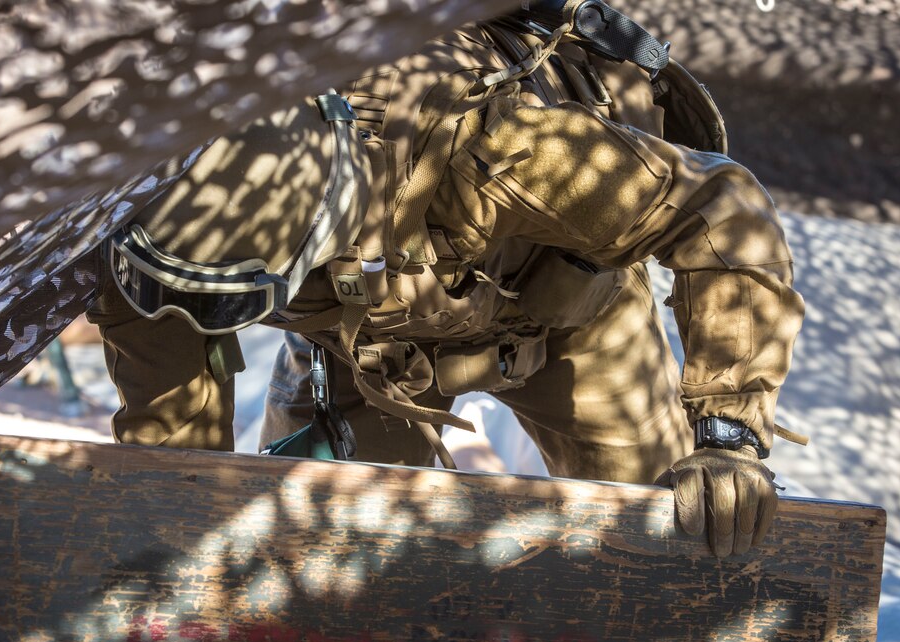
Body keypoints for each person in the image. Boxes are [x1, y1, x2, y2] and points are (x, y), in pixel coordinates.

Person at [88, 4, 805, 557]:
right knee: (315, 557)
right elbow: (172, 449)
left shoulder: (502, 144)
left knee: (674, 538)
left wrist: (727, 438)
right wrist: (179, 529)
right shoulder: (164, 227)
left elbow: (726, 208)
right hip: (372, 352)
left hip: (568, 317)